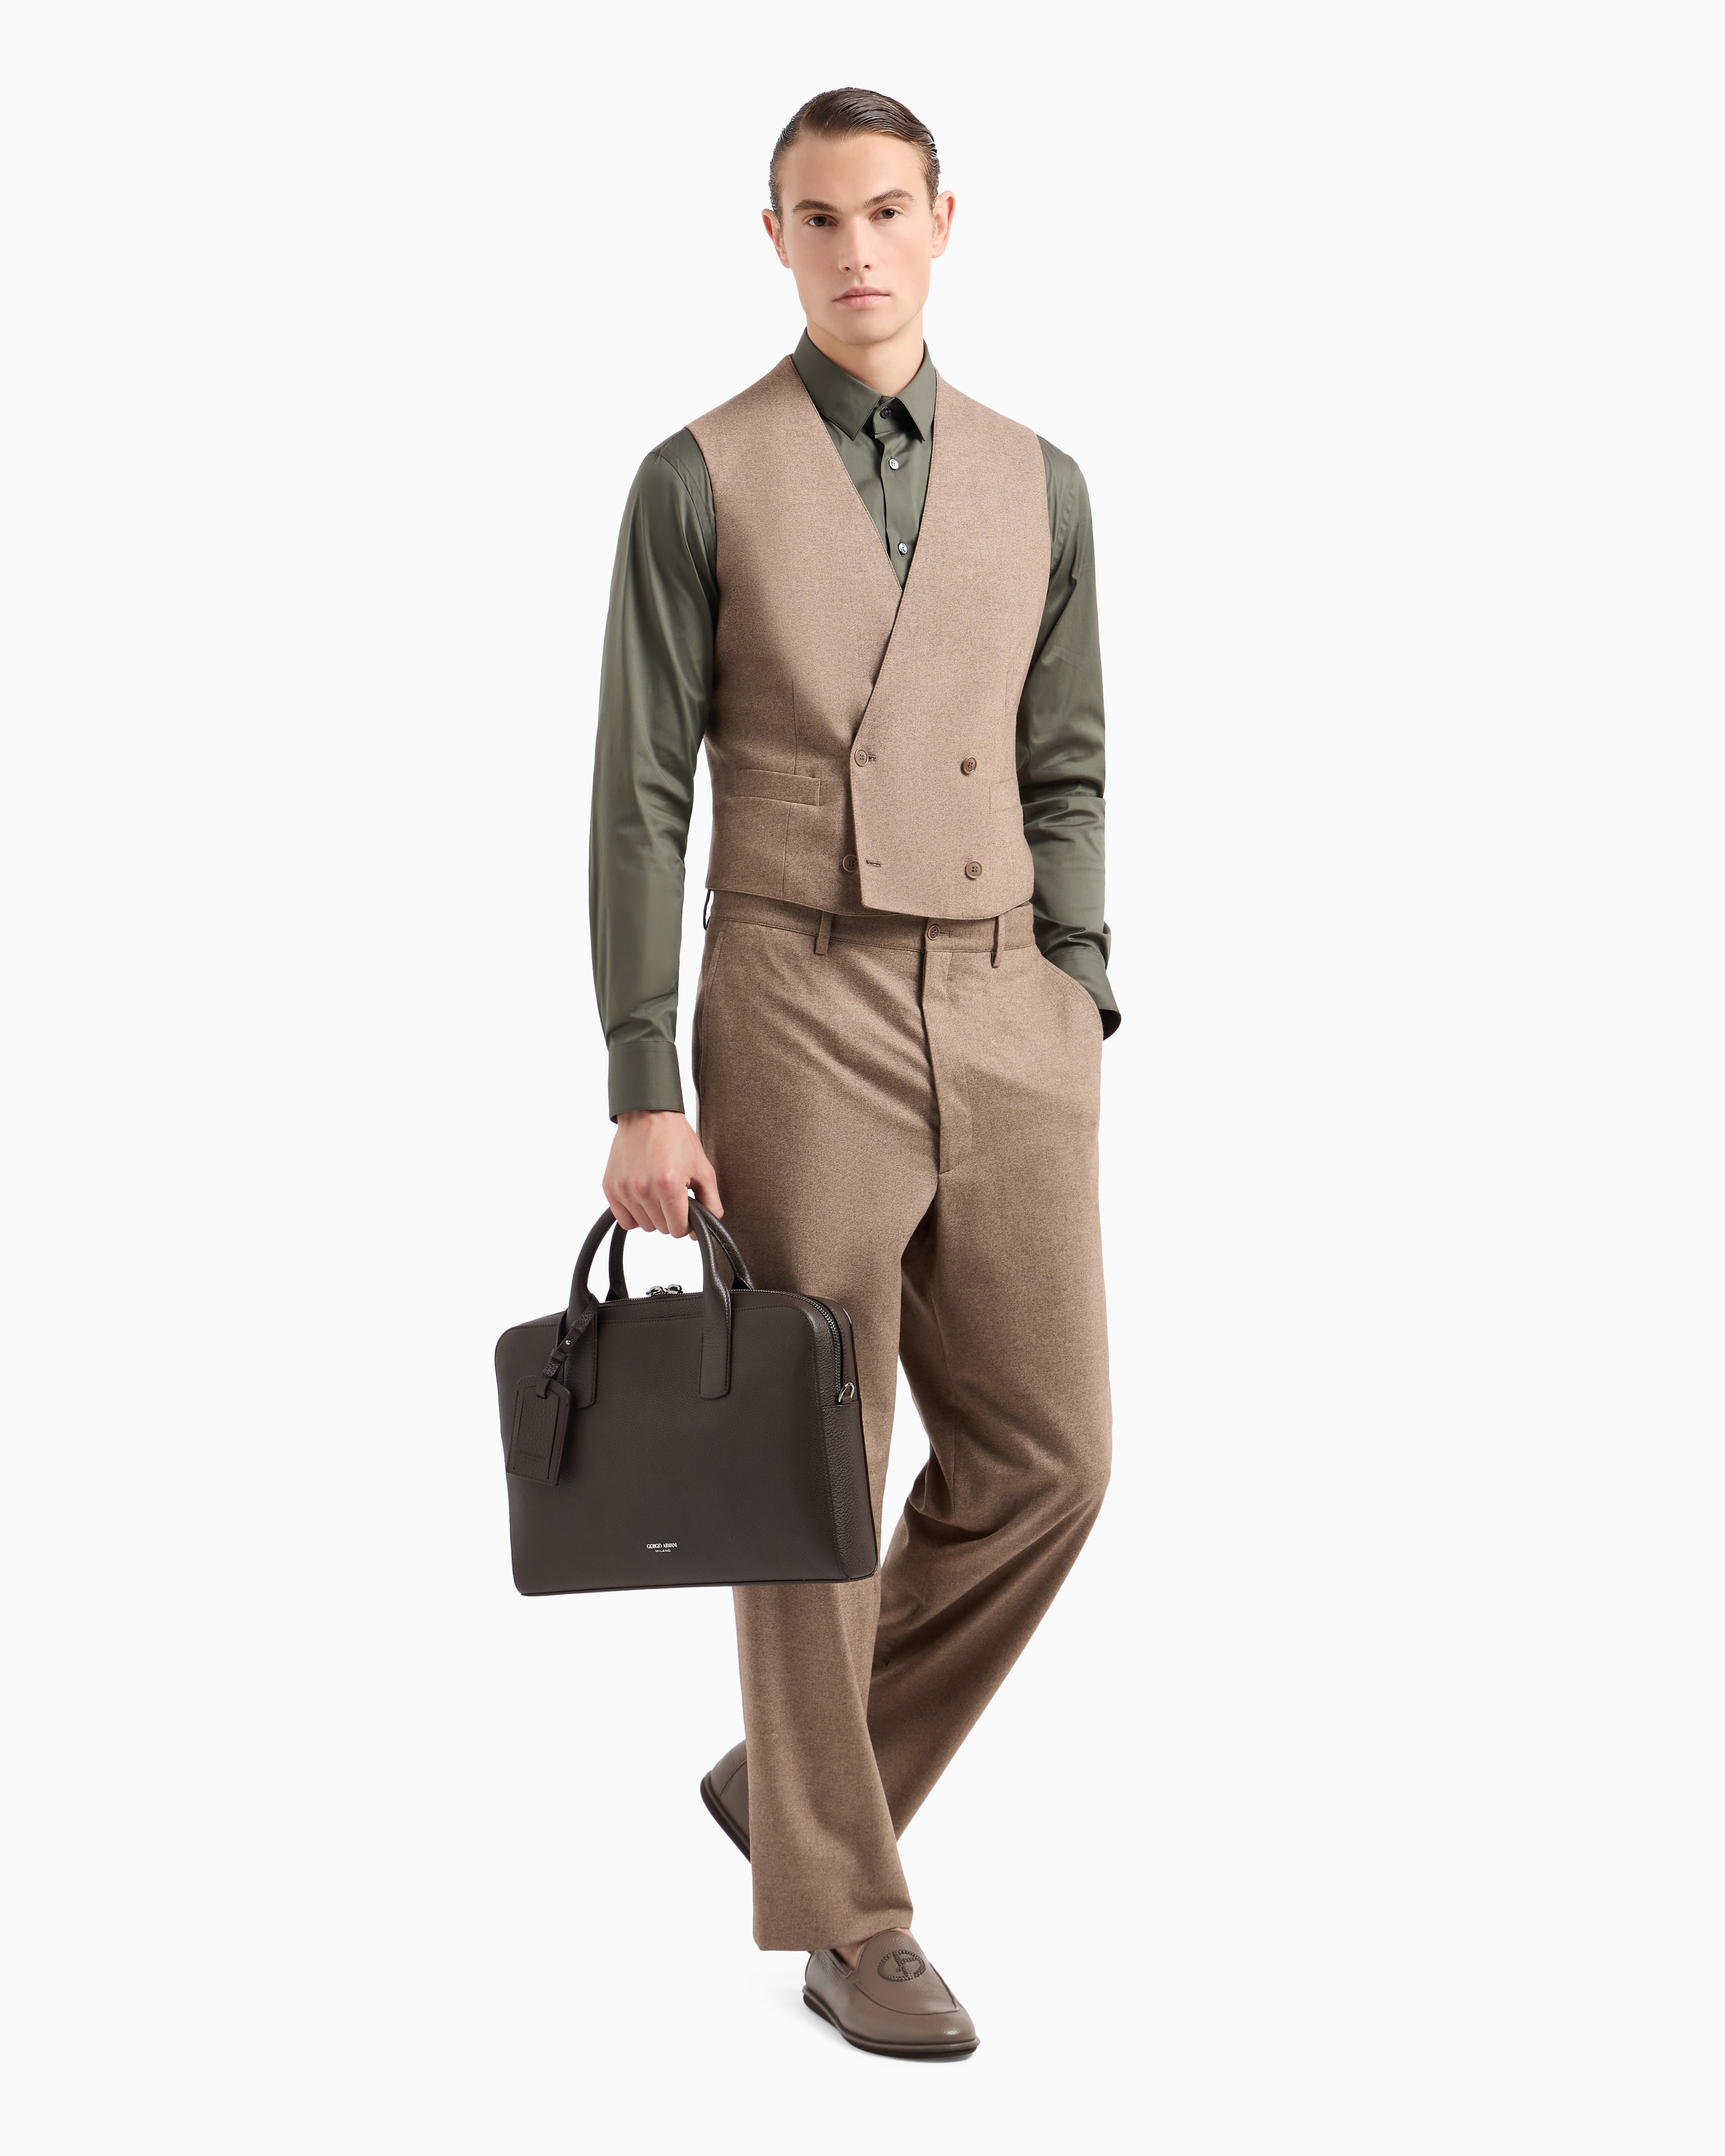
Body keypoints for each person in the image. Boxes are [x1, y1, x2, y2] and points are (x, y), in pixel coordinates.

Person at [588, 86, 1117, 2059]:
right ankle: (847, 1913)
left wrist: (1077, 988)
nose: (859, 249)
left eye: (889, 210)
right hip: (792, 993)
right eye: (821, 218)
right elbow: (641, 797)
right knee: (821, 1468)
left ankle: (793, 1786)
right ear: (777, 239)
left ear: (944, 222)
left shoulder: (1043, 480)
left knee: (1053, 1459)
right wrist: (646, 1077)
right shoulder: (696, 479)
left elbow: (1070, 757)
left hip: (1004, 1000)